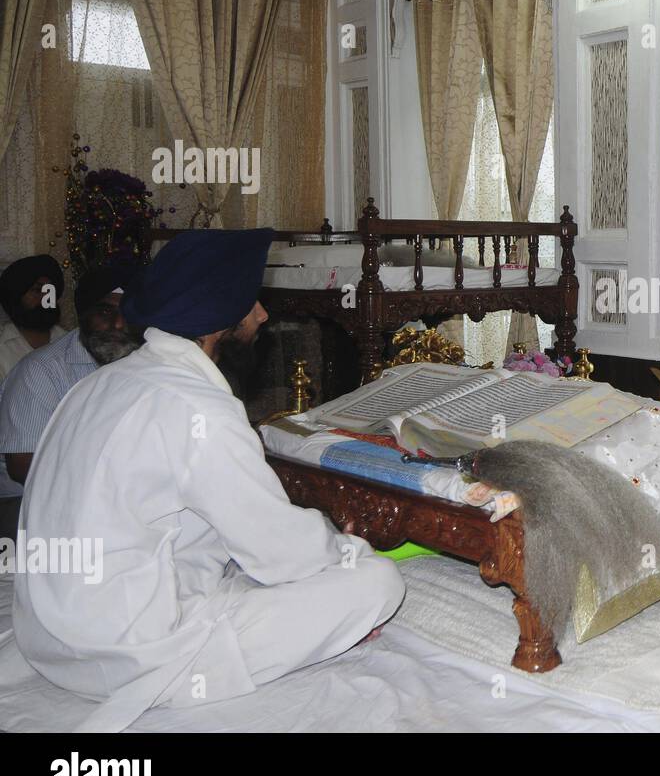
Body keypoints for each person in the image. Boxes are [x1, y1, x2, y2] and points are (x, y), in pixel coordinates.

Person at [12, 228, 404, 731]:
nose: (261, 315)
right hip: (127, 651)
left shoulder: (99, 384)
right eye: (250, 303)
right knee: (377, 583)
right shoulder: (198, 407)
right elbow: (284, 553)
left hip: (48, 636)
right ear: (219, 317)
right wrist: (348, 553)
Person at [0, 264, 141, 487]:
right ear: (84, 314)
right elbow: (24, 466)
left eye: (129, 313)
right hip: (30, 497)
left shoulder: (147, 358)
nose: (118, 324)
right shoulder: (42, 370)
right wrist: (112, 488)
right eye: (105, 312)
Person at [0, 255, 66, 382]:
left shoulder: (69, 342)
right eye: (37, 290)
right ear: (17, 296)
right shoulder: (3, 346)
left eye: (50, 291)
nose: (46, 298)